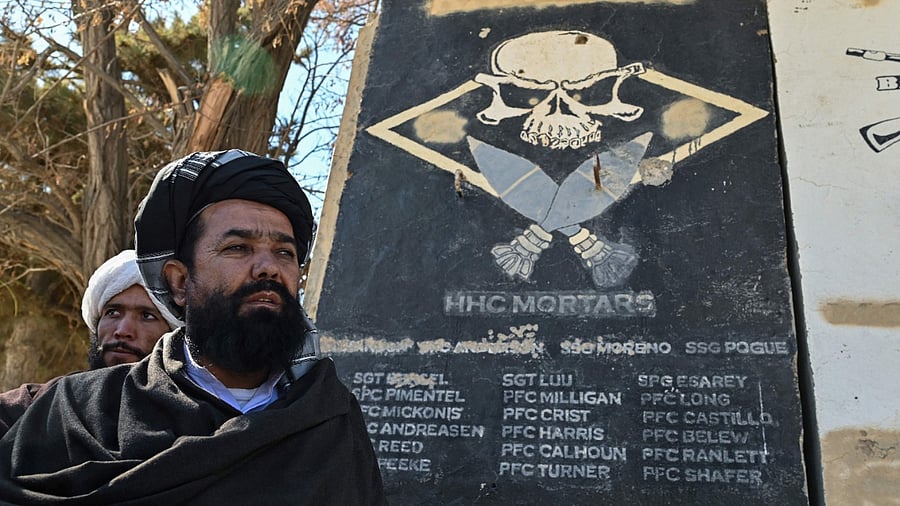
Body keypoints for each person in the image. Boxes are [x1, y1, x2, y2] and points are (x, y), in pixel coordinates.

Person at [0, 150, 386, 504]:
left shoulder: (329, 418)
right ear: (180, 283)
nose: (269, 267)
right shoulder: (82, 408)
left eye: (284, 253)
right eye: (239, 248)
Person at [0, 250, 181, 436]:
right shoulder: (48, 400)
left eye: (147, 316)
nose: (122, 330)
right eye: (113, 313)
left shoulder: (189, 418)